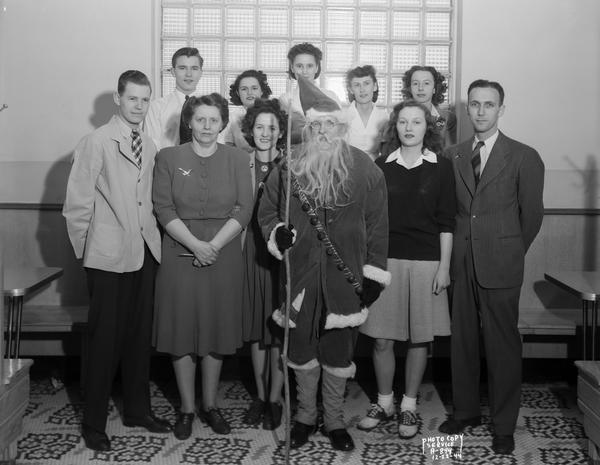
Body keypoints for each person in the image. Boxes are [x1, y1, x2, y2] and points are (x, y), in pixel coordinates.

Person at [259, 76, 390, 452]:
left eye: (328, 124)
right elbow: (267, 211)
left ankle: (332, 420)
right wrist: (277, 233)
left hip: (344, 278)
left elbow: (379, 226)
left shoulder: (365, 168)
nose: (321, 131)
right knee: (300, 348)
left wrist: (375, 274)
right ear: (307, 127)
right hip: (299, 275)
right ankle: (303, 417)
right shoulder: (289, 166)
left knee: (337, 350)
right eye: (314, 125)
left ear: (342, 127)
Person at [63, 70, 171, 452]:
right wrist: (89, 256)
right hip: (107, 258)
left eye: (145, 100)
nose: (139, 106)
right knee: (103, 341)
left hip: (144, 254)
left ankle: (137, 410)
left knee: (139, 338)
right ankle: (93, 423)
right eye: (132, 99)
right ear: (118, 99)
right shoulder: (96, 142)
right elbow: (76, 206)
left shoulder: (152, 144)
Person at [438, 80, 544, 455]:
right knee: (462, 342)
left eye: (489, 104)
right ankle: (465, 412)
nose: (481, 111)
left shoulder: (524, 156)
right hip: (460, 262)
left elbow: (531, 217)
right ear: (467, 109)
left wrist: (508, 250)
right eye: (475, 104)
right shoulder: (452, 155)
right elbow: (448, 212)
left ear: (502, 109)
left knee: (502, 347)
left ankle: (504, 425)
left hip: (502, 264)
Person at [152, 93, 253, 440]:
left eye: (213, 120)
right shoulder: (168, 157)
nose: (207, 126)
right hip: (179, 252)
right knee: (182, 331)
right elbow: (164, 208)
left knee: (216, 330)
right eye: (200, 119)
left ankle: (210, 405)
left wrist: (213, 246)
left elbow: (244, 209)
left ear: (223, 122)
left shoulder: (239, 159)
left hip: (223, 254)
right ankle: (186, 408)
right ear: (189, 122)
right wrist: (196, 245)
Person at [358, 100, 456, 439]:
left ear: (427, 127)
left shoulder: (442, 168)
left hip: (427, 262)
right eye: (403, 122)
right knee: (382, 339)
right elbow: (369, 220)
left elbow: (447, 222)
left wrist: (444, 267)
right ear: (394, 127)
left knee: (419, 339)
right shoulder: (381, 166)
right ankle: (384, 402)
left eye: (416, 122)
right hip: (386, 262)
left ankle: (409, 406)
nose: (409, 128)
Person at [239, 99, 287, 430]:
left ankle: (276, 397)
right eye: (259, 127)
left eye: (271, 127)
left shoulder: (290, 167)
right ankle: (259, 395)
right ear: (250, 130)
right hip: (249, 253)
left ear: (281, 132)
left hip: (281, 258)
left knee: (279, 328)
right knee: (257, 328)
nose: (265, 133)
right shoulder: (239, 164)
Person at [279, 42, 341, 144]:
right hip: (296, 153)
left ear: (317, 68)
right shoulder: (285, 99)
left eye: (310, 66)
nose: (304, 71)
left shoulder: (331, 96)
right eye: (299, 66)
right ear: (292, 68)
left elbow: (339, 131)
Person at [145, 47, 203, 150]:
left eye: (194, 68)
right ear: (173, 71)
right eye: (182, 68)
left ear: (200, 72)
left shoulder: (211, 108)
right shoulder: (156, 107)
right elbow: (152, 146)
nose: (188, 74)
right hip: (167, 164)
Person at [401, 65, 456, 148]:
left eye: (426, 83)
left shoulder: (448, 118)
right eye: (415, 83)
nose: (420, 88)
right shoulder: (397, 116)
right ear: (410, 88)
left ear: (434, 88)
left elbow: (450, 153)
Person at [219, 69, 273, 153]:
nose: (249, 93)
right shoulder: (231, 118)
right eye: (244, 89)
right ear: (237, 92)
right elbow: (222, 146)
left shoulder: (273, 115)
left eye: (254, 88)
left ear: (262, 91)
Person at [345, 65, 389, 160]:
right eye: (357, 85)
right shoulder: (342, 117)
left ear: (375, 86)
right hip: (348, 169)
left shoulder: (384, 118)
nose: (362, 89)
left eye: (366, 83)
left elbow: (387, 151)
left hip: (376, 169)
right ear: (351, 89)